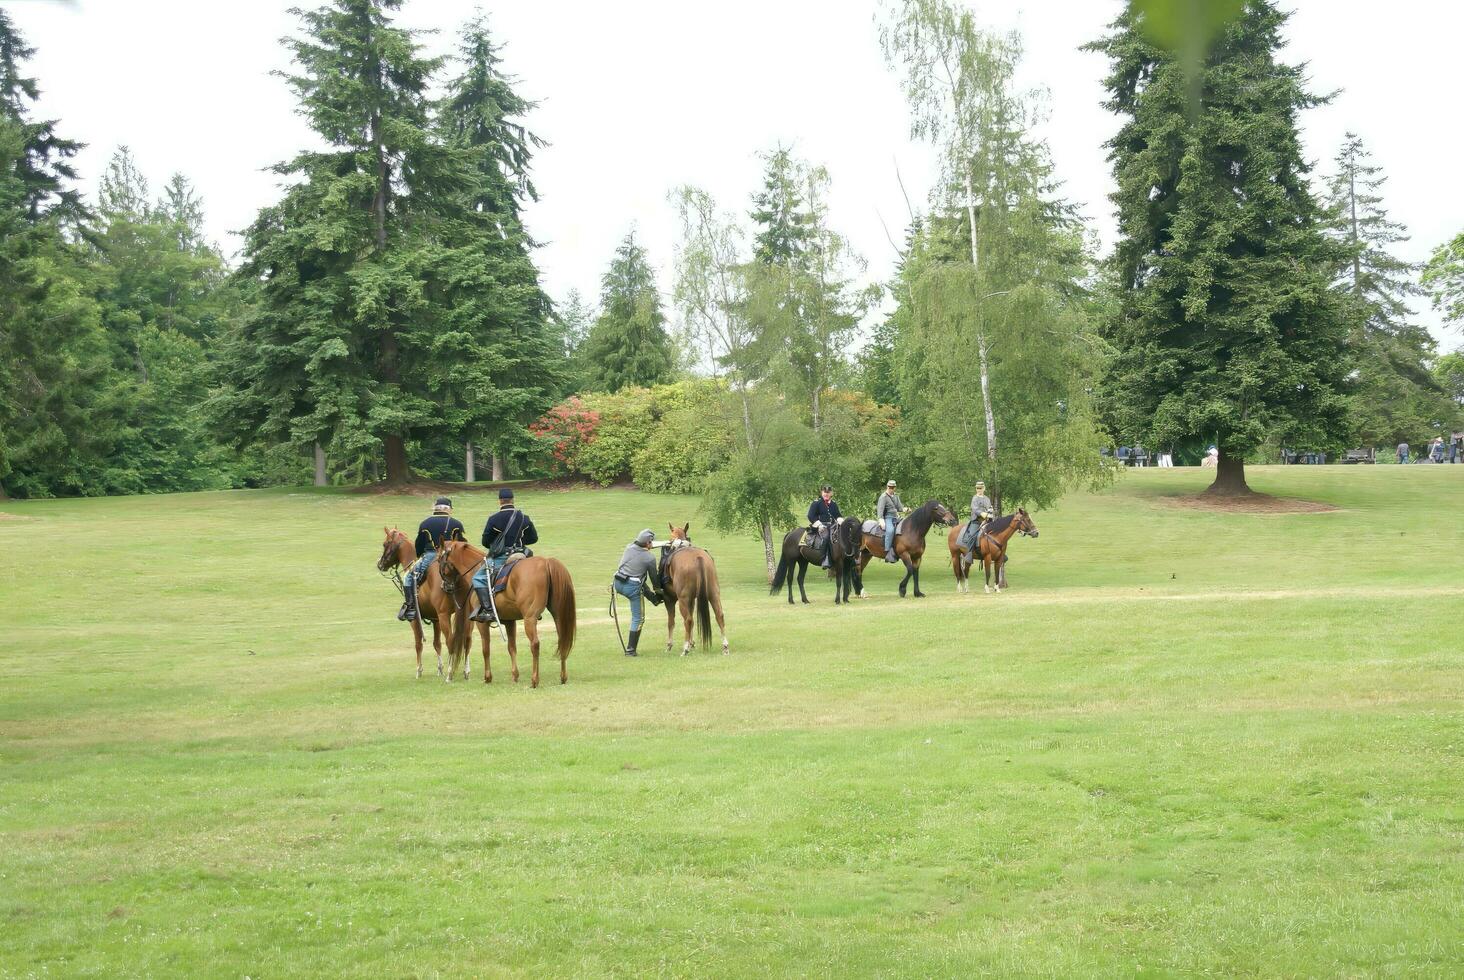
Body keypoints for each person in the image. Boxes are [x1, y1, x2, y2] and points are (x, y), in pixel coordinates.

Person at [469, 488, 539, 624]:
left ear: (500, 501)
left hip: (502, 557)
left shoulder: (494, 519)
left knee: (478, 578)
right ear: (513, 500)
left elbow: (485, 542)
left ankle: (488, 610)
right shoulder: (524, 518)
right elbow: (533, 538)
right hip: (521, 554)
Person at [398, 496, 466, 622]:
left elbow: (419, 545)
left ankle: (411, 607)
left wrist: (419, 556)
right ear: (449, 509)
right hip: (451, 556)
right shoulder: (456, 524)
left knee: (408, 578)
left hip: (430, 555)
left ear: (436, 508)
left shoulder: (425, 523)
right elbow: (461, 543)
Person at [613, 529, 664, 656]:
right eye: (651, 542)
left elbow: (642, 544)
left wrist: (666, 543)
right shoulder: (649, 558)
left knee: (640, 581)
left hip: (618, 583)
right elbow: (654, 580)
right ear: (648, 543)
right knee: (638, 618)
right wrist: (659, 593)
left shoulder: (629, 547)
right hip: (632, 588)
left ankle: (654, 600)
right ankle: (630, 650)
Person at [806, 484, 842, 569]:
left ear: (831, 493)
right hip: (821, 526)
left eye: (828, 492)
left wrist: (842, 521)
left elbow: (838, 515)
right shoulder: (816, 503)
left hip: (833, 526)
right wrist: (819, 525)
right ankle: (824, 559)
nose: (826, 494)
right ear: (822, 493)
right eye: (824, 492)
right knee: (826, 537)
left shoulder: (833, 504)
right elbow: (810, 516)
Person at [959, 481, 994, 564]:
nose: (979, 490)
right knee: (972, 535)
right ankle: (968, 554)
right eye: (977, 488)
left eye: (980, 488)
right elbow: (975, 509)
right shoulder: (974, 498)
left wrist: (990, 514)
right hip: (976, 521)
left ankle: (997, 553)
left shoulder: (987, 499)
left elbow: (990, 508)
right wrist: (984, 514)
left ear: (984, 488)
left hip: (987, 521)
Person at [876, 479, 908, 563]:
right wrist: (881, 519)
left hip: (897, 517)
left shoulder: (896, 496)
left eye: (893, 487)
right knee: (890, 531)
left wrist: (905, 509)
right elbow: (880, 509)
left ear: (895, 488)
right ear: (887, 487)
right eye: (890, 487)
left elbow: (899, 508)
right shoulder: (883, 497)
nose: (891, 489)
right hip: (888, 518)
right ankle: (888, 552)